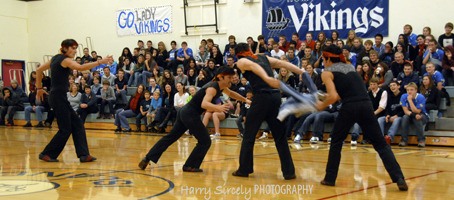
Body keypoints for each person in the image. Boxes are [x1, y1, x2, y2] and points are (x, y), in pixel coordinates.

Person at [313, 45, 407, 191]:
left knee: (336, 142)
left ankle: (329, 179)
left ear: (329, 58)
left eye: (323, 59)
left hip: (349, 106)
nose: (323, 62)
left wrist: (320, 105)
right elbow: (338, 93)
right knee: (381, 144)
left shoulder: (327, 72)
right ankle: (399, 177)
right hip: (366, 105)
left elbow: (333, 96)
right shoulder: (349, 66)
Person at [139, 66, 250, 172]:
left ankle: (147, 158)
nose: (231, 80)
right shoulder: (212, 88)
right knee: (205, 141)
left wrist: (246, 100)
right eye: (229, 77)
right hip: (190, 114)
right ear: (221, 77)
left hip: (185, 112)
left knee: (170, 137)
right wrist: (218, 107)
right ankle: (190, 166)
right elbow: (204, 104)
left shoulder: (219, 86)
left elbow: (231, 93)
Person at [231, 43, 307, 180]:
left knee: (249, 134)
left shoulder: (241, 61)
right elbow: (281, 63)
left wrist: (266, 78)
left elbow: (254, 67)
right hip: (275, 98)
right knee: (280, 136)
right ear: (249, 50)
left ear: (237, 53)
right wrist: (302, 72)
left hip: (261, 98)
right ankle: (289, 172)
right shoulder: (262, 57)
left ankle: (244, 169)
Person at [35, 39, 112, 162]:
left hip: (58, 97)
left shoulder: (55, 58)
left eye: (76, 48)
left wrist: (39, 87)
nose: (75, 51)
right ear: (65, 48)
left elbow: (39, 70)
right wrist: (100, 62)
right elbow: (81, 67)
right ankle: (47, 154)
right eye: (73, 48)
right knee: (65, 129)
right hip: (58, 97)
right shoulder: (65, 60)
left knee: (77, 124)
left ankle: (83, 154)